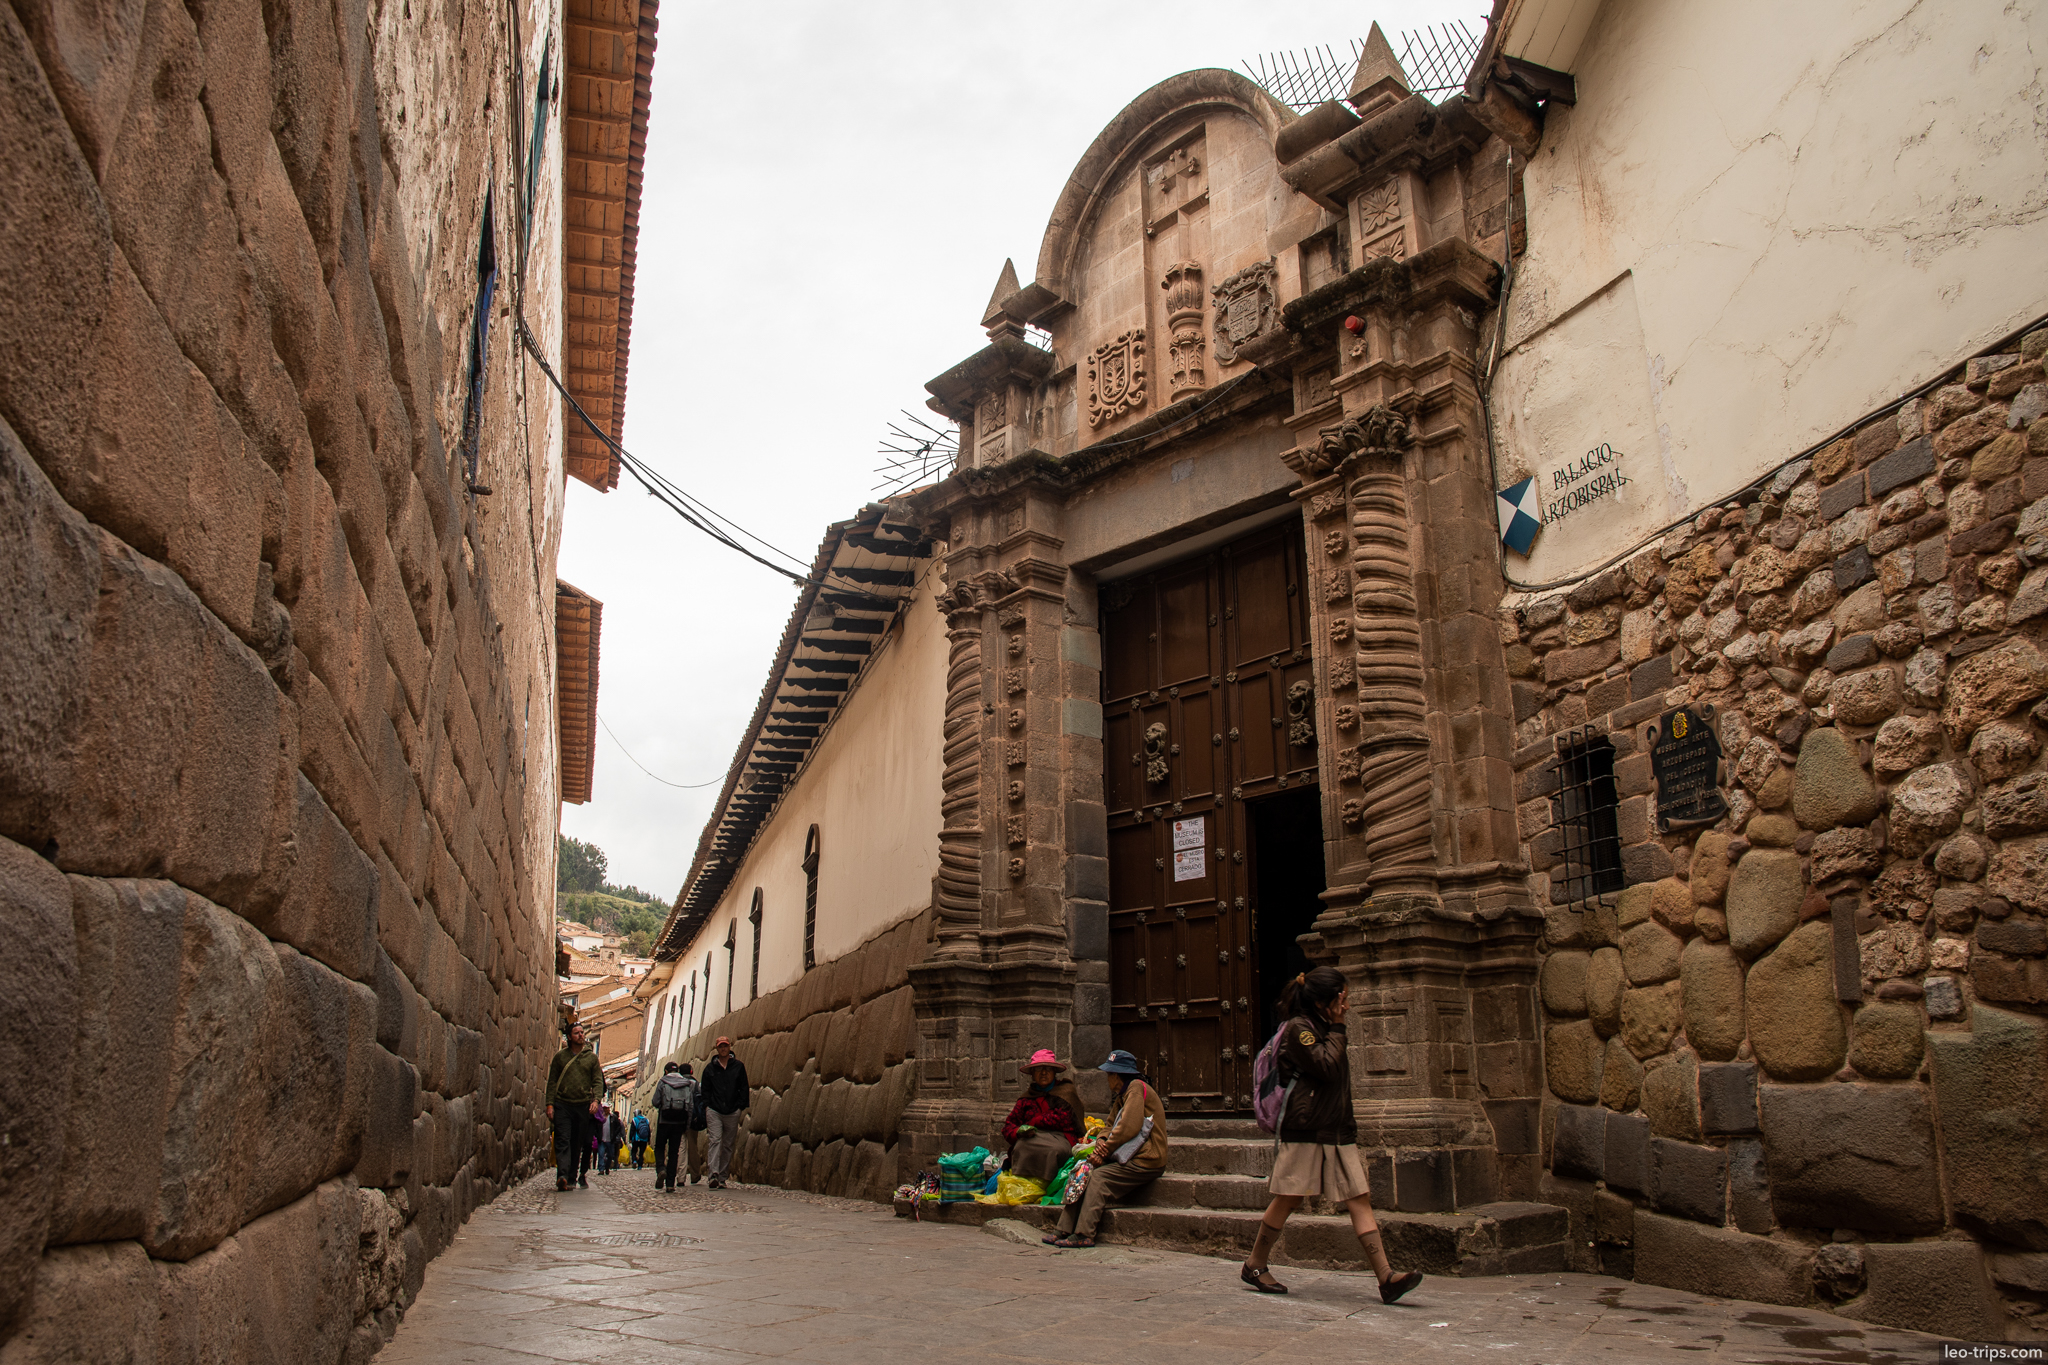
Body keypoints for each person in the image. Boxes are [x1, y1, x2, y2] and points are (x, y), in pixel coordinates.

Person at [1240, 966, 1422, 1303]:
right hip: (1307, 1129)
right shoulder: (1300, 1030)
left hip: (1336, 1129)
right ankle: (1254, 1263)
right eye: (1343, 999)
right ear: (1326, 1001)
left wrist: (1335, 1027)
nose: (1347, 1006)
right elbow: (1326, 1067)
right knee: (1289, 1197)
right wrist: (1338, 1028)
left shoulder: (1323, 1026)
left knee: (1358, 1198)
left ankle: (1386, 1277)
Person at [1043, 1049, 1166, 1249]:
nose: (1107, 1079)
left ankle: (1084, 1233)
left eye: (1109, 1074)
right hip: (1129, 1156)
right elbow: (1108, 1126)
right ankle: (1063, 1228)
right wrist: (1101, 1141)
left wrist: (1103, 1152)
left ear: (1116, 1075)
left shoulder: (1136, 1088)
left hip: (1146, 1160)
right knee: (1083, 1171)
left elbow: (1129, 1127)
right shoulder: (1122, 1096)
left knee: (1098, 1179)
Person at [1002, 1049, 1086, 1184]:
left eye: (1048, 1069)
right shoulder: (1026, 1099)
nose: (1044, 1072)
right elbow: (1009, 1126)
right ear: (1032, 1075)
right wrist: (1019, 1132)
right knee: (1021, 1147)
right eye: (1038, 1069)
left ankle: (1046, 1184)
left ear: (1054, 1072)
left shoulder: (1066, 1092)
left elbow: (1064, 1118)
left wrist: (1033, 1123)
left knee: (1053, 1151)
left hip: (1061, 1138)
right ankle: (1025, 1183)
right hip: (1031, 1139)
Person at [545, 1021, 604, 1191]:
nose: (581, 1035)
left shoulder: (591, 1058)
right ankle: (562, 1175)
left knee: (576, 1142)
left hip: (582, 1106)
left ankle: (571, 1177)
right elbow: (552, 1081)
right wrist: (550, 1104)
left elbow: (597, 1081)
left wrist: (596, 1101)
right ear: (569, 1037)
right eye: (576, 1033)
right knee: (563, 1139)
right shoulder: (560, 1057)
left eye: (582, 1033)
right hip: (563, 1104)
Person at [701, 1036, 749, 1189]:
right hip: (714, 1110)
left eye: (725, 1046)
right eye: (721, 1046)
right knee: (715, 1140)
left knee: (728, 1144)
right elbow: (705, 1090)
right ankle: (713, 1174)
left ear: (729, 1047)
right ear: (717, 1049)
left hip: (732, 1110)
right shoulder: (710, 1069)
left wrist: (740, 1106)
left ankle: (722, 1176)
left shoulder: (738, 1067)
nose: (723, 1049)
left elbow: (744, 1086)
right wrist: (707, 1105)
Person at [651, 1062, 700, 1192]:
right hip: (679, 1122)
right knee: (674, 1153)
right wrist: (687, 1125)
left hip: (664, 1121)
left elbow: (655, 1102)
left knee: (660, 1147)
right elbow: (690, 1107)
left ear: (666, 1071)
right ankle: (670, 1184)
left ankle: (661, 1169)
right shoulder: (686, 1084)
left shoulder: (663, 1082)